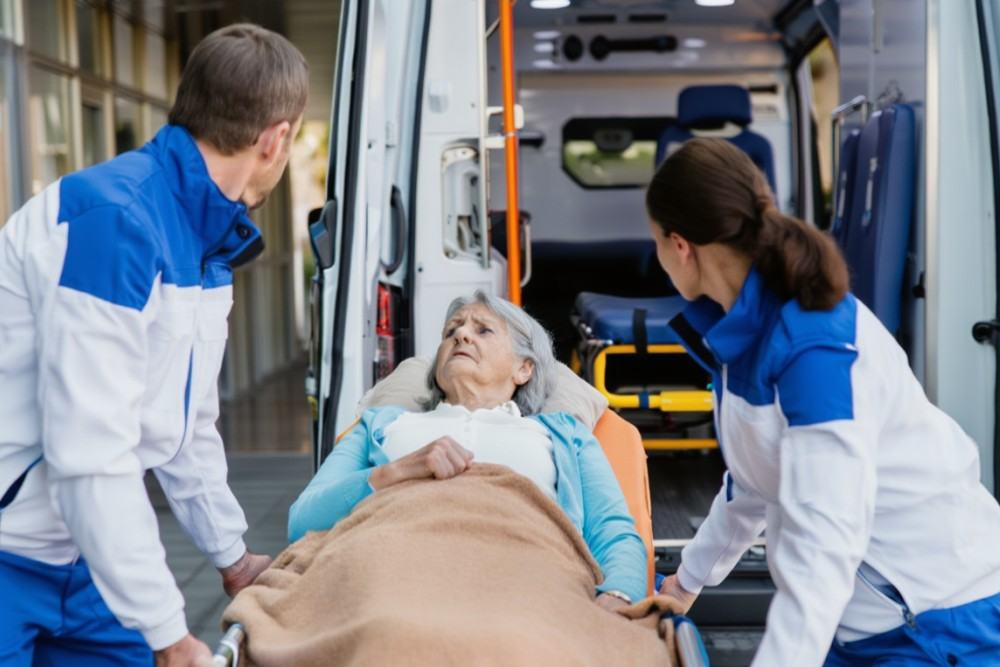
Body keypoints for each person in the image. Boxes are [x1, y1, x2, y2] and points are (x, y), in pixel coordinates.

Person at [0, 23, 308, 667]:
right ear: (276, 139)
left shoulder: (209, 239)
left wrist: (233, 557)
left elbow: (185, 426)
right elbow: (91, 454)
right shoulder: (114, 222)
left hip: (84, 555)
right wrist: (171, 635)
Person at [648, 138, 1000, 666]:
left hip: (937, 621)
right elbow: (754, 482)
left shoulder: (814, 346)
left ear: (680, 245)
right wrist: (685, 582)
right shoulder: (744, 328)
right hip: (861, 622)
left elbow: (825, 542)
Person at [287, 291, 648, 608]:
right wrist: (396, 472)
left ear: (524, 369)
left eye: (483, 330)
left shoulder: (562, 434)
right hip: (393, 573)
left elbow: (613, 531)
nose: (460, 334)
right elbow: (302, 521)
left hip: (528, 580)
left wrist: (616, 597)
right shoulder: (381, 425)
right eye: (451, 332)